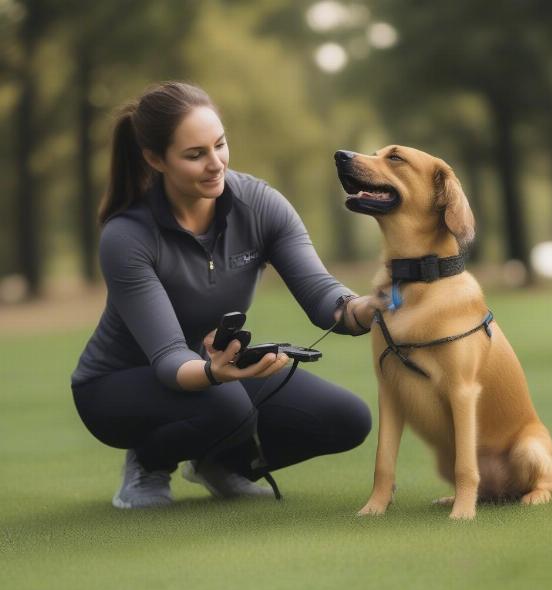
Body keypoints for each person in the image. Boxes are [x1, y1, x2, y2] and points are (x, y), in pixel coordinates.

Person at [70, 81, 375, 509]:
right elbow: (170, 358)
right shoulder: (127, 236)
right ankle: (149, 461)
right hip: (116, 386)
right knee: (227, 404)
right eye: (195, 155)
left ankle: (222, 464)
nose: (216, 164)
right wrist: (217, 373)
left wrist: (367, 307)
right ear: (155, 159)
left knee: (347, 420)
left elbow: (324, 296)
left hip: (207, 371)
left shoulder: (261, 205)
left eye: (220, 145)